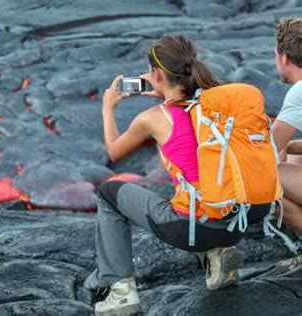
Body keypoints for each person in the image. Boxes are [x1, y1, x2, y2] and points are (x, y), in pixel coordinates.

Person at [90, 35, 275, 316]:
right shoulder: (217, 105)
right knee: (199, 188)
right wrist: (165, 92)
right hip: (239, 220)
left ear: (155, 74)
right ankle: (218, 256)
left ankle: (120, 292)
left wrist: (108, 107)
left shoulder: (152, 118)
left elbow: (114, 152)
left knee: (108, 193)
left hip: (194, 230)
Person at [272, 17, 302, 234]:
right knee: (293, 156)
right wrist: (288, 147)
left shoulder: (299, 91)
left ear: (284, 58)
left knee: (261, 180)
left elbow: (266, 151)